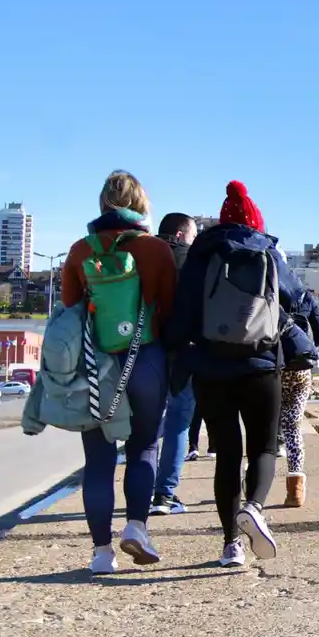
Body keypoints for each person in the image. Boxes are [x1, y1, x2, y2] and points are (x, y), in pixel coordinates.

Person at [168, 181, 309, 569]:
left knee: (226, 454)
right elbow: (299, 299)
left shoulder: (203, 251)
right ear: (255, 221)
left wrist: (178, 354)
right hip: (262, 365)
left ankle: (232, 545)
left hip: (211, 367)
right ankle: (255, 507)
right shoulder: (268, 251)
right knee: (263, 447)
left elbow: (182, 310)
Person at [61, 170, 177, 575]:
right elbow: (170, 310)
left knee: (97, 462)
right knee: (144, 448)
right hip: (146, 359)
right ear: (141, 205)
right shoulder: (157, 249)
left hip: (96, 366)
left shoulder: (79, 251)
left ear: (102, 204)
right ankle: (136, 528)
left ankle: (100, 553)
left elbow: (70, 315)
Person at [149, 213, 198, 516]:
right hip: (183, 352)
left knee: (148, 423)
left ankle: (141, 488)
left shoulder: (142, 254)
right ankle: (164, 496)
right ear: (181, 236)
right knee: (179, 421)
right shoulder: (193, 260)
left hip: (146, 350)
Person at [278, 289, 319, 508]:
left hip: (272, 368)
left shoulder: (263, 287)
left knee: (263, 427)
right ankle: (295, 490)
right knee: (293, 426)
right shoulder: (305, 297)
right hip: (300, 369)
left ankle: (252, 484)